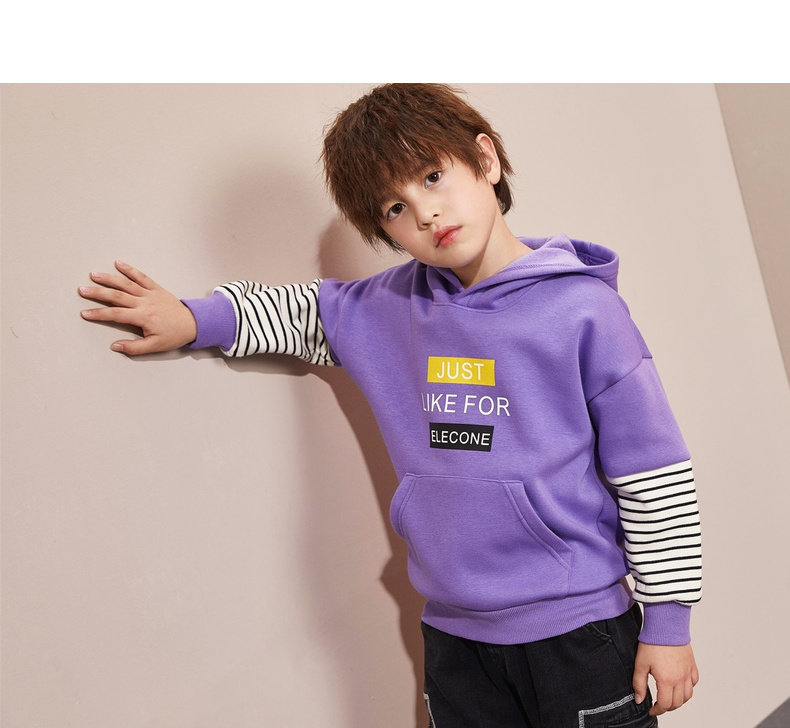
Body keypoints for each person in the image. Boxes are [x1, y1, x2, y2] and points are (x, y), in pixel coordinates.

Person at [79, 84, 701, 727]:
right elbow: (302, 311)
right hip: (456, 636)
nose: (426, 213)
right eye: (396, 207)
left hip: (579, 631)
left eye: (433, 177)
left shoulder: (584, 312)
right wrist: (192, 318)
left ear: (485, 160)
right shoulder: (389, 309)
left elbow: (653, 473)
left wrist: (668, 623)